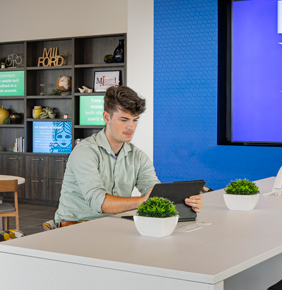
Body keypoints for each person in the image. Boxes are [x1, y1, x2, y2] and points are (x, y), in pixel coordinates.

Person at [53, 86, 201, 225]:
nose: (131, 127)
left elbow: (154, 192)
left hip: (113, 225)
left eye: (135, 120)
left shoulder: (138, 157)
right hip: (76, 227)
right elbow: (100, 203)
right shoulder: (85, 152)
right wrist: (143, 201)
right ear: (106, 117)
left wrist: (185, 201)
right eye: (124, 120)